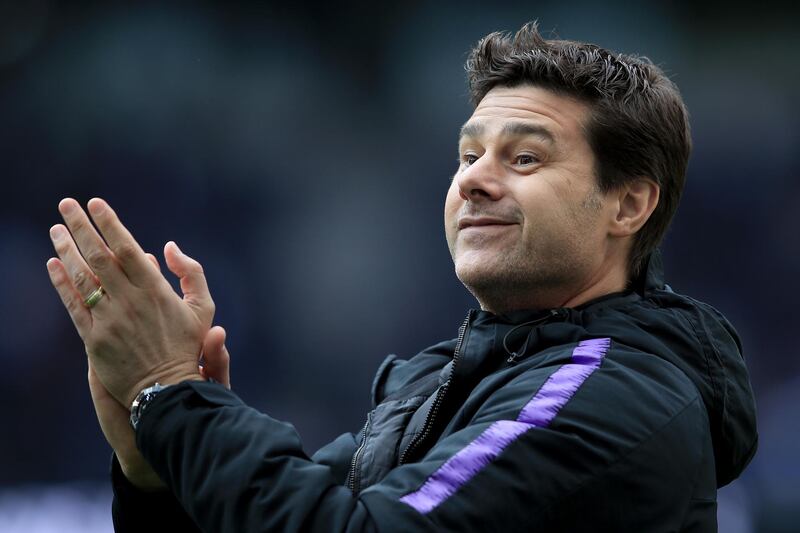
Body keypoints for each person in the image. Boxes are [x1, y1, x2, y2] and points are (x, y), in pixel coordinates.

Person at [46, 22, 757, 532]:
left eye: (526, 158)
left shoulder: (606, 391)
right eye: (467, 155)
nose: (474, 180)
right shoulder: (439, 382)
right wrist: (157, 468)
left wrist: (172, 396)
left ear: (628, 203)